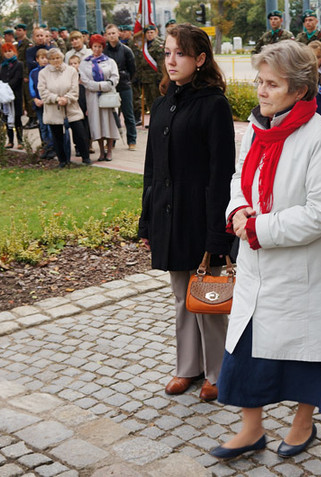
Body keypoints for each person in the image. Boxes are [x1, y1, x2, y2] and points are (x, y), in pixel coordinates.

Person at [212, 39, 321, 460]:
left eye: (271, 84)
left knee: (304, 352)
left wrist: (259, 228)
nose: (261, 90)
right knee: (246, 349)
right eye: (259, 81)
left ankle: (303, 421)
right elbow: (240, 178)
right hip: (258, 266)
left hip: (301, 270)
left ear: (298, 88)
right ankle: (251, 429)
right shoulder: (257, 129)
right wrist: (238, 210)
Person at [138, 24, 236, 404]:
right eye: (167, 53)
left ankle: (218, 373)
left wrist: (218, 233)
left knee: (209, 300)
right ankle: (188, 367)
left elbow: (221, 172)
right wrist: (146, 220)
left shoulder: (213, 104)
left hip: (203, 217)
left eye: (180, 53)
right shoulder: (163, 104)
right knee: (182, 297)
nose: (171, 60)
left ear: (200, 59)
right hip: (168, 216)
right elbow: (151, 169)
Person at [38, 48, 89, 167]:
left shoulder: (71, 71)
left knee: (80, 133)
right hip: (53, 109)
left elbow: (74, 89)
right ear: (49, 60)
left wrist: (67, 98)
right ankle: (62, 160)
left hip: (71, 107)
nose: (56, 60)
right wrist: (56, 99)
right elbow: (43, 92)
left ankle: (85, 157)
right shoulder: (43, 73)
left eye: (58, 58)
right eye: (53, 58)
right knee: (57, 136)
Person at [80, 34, 121, 160]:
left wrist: (103, 86)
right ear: (91, 47)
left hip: (107, 96)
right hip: (92, 98)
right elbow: (84, 80)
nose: (97, 49)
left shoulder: (109, 61)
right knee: (96, 124)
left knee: (108, 123)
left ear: (103, 47)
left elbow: (114, 77)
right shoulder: (85, 63)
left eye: (99, 46)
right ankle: (101, 151)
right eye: (95, 46)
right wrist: (96, 86)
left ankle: (109, 150)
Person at [104, 24, 137, 151]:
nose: (112, 36)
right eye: (109, 34)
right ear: (106, 36)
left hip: (124, 86)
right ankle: (112, 142)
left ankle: (132, 140)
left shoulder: (126, 50)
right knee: (112, 115)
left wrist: (126, 78)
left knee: (128, 114)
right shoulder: (104, 52)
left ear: (119, 33)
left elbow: (133, 69)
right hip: (110, 87)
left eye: (114, 33)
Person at [0, 43, 24, 149]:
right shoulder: (1, 65)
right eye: (6, 52)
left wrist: (6, 88)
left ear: (14, 51)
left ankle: (20, 140)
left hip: (15, 95)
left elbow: (17, 78)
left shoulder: (19, 64)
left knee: (17, 119)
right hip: (3, 97)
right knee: (6, 118)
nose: (8, 54)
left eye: (10, 51)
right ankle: (10, 140)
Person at [29, 49, 56, 159]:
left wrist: (46, 99)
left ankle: (52, 147)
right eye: (42, 58)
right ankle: (46, 145)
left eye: (46, 58)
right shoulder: (33, 72)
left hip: (48, 102)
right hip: (38, 103)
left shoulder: (51, 71)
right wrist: (35, 98)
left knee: (50, 126)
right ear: (37, 59)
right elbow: (31, 87)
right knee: (42, 125)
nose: (44, 60)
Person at [138, 25, 164, 116]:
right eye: (147, 33)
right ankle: (153, 120)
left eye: (151, 32)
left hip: (155, 78)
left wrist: (160, 77)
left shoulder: (159, 45)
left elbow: (161, 63)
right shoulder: (143, 45)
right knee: (149, 102)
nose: (149, 35)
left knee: (158, 100)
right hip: (145, 79)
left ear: (155, 33)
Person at [15, 24, 38, 129]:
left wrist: (26, 74)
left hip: (26, 73)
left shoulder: (28, 44)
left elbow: (28, 62)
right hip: (19, 73)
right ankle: (30, 117)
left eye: (20, 30)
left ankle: (33, 118)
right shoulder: (17, 44)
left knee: (29, 96)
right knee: (24, 96)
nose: (17, 32)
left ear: (24, 31)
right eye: (16, 30)